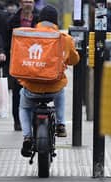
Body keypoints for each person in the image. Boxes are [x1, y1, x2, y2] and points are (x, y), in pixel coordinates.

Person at [17, 5, 80, 157]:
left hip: (31, 87)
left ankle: (27, 136)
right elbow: (74, 60)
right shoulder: (64, 39)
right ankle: (60, 124)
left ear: (39, 19)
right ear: (55, 21)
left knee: (24, 107)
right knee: (61, 89)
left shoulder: (27, 36)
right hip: (54, 87)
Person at [7, 0, 39, 131]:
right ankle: (17, 120)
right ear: (21, 3)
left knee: (35, 90)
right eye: (25, 1)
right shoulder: (12, 20)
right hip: (18, 61)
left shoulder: (38, 19)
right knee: (17, 92)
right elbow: (5, 37)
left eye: (30, 1)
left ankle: (34, 119)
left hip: (35, 61)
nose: (28, 4)